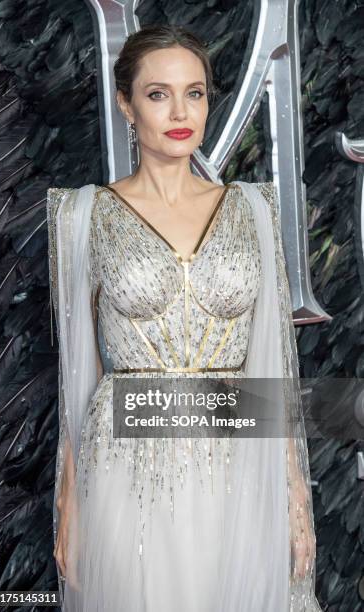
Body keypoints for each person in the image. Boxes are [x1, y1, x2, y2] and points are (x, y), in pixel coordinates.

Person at [47, 24, 322, 612]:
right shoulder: (82, 214)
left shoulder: (253, 208)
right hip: (124, 467)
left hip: (236, 461)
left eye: (194, 93)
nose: (180, 111)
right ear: (125, 103)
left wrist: (294, 492)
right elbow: (77, 368)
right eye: (157, 94)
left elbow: (271, 355)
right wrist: (69, 498)